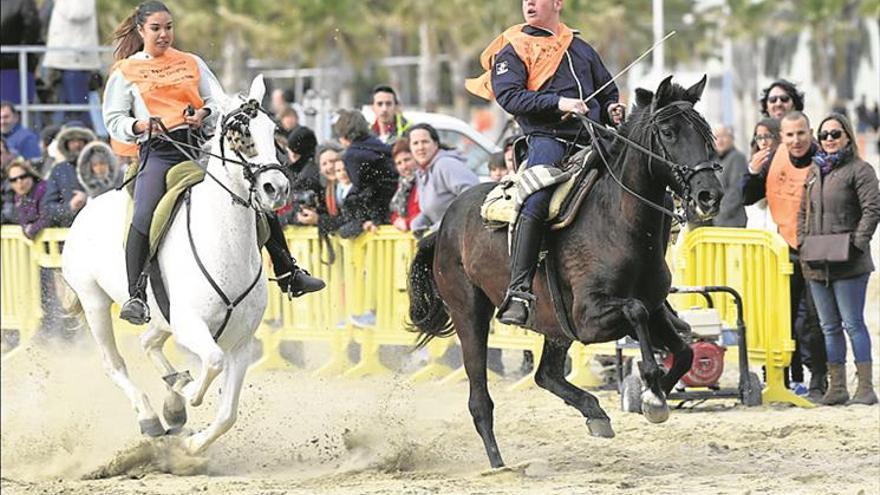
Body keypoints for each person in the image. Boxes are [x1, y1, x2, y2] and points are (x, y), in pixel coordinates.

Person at [103, 1, 323, 325]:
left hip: (202, 149)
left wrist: (204, 114)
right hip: (158, 152)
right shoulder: (125, 71)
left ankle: (288, 271)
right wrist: (139, 126)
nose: (164, 34)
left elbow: (217, 102)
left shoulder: (191, 62)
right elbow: (113, 119)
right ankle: (136, 295)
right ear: (140, 30)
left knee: (254, 195)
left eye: (169, 27)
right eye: (156, 28)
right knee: (146, 212)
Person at [465, 0, 624, 325]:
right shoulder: (513, 47)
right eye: (525, 0)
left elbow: (607, 90)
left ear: (557, 3)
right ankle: (519, 290)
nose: (530, 4)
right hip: (548, 141)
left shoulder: (580, 47)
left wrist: (611, 109)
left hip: (595, 138)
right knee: (535, 200)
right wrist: (558, 102)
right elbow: (509, 96)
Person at [742, 111, 828, 399]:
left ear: (810, 132)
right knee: (783, 319)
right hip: (783, 250)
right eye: (790, 135)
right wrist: (753, 172)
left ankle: (819, 381)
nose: (796, 140)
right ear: (782, 137)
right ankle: (789, 379)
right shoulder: (774, 158)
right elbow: (748, 196)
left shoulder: (822, 158)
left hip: (817, 249)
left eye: (801, 133)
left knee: (816, 320)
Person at [798, 113, 880, 406]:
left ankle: (866, 387)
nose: (829, 140)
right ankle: (838, 387)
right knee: (828, 327)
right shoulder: (814, 171)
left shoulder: (861, 170)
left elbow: (872, 210)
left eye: (835, 134)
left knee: (853, 324)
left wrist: (856, 245)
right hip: (816, 261)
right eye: (824, 136)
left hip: (850, 263)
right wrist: (802, 242)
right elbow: (802, 211)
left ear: (847, 135)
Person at [332, 109, 399, 236]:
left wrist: (363, 219)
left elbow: (362, 187)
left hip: (378, 215)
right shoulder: (378, 145)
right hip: (392, 208)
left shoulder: (353, 155)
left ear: (343, 134)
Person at [408, 123, 480, 236]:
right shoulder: (422, 172)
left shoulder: (445, 164)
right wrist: (419, 222)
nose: (420, 147)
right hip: (447, 238)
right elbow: (433, 207)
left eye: (425, 142)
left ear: (436, 144)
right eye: (415, 143)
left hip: (465, 237)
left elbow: (474, 194)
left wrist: (442, 225)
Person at [42, 0, 101, 126]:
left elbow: (78, 13)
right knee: (66, 108)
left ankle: (86, 137)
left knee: (79, 108)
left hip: (76, 60)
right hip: (65, 60)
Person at [40, 124, 94, 227]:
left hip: (97, 227)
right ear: (66, 143)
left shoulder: (99, 164)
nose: (77, 144)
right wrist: (70, 207)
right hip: (69, 230)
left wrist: (89, 200)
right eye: (72, 141)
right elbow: (47, 208)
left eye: (81, 140)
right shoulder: (59, 170)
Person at [0, 0, 41, 105]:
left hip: (14, 64)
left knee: (13, 108)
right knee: (14, 109)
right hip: (16, 62)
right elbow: (33, 26)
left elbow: (32, 26)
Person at [744, 118, 780, 231]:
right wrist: (753, 172)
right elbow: (747, 198)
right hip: (756, 230)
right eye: (759, 138)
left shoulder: (784, 161)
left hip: (776, 230)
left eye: (768, 136)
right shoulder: (753, 163)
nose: (763, 142)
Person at [712, 124, 748, 227]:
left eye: (723, 136)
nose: (719, 141)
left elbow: (736, 191)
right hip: (717, 222)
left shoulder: (737, 158)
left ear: (731, 138)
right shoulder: (715, 161)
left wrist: (718, 213)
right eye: (716, 137)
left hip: (731, 222)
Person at [8, 160, 50, 239]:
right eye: (13, 180)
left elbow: (48, 216)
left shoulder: (43, 189)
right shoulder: (18, 197)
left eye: (22, 177)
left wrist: (32, 229)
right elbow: (22, 221)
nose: (19, 182)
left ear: (30, 175)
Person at [389, 139, 420, 232]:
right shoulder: (402, 185)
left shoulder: (425, 180)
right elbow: (395, 213)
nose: (404, 166)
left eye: (407, 160)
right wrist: (397, 221)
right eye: (399, 163)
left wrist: (407, 223)